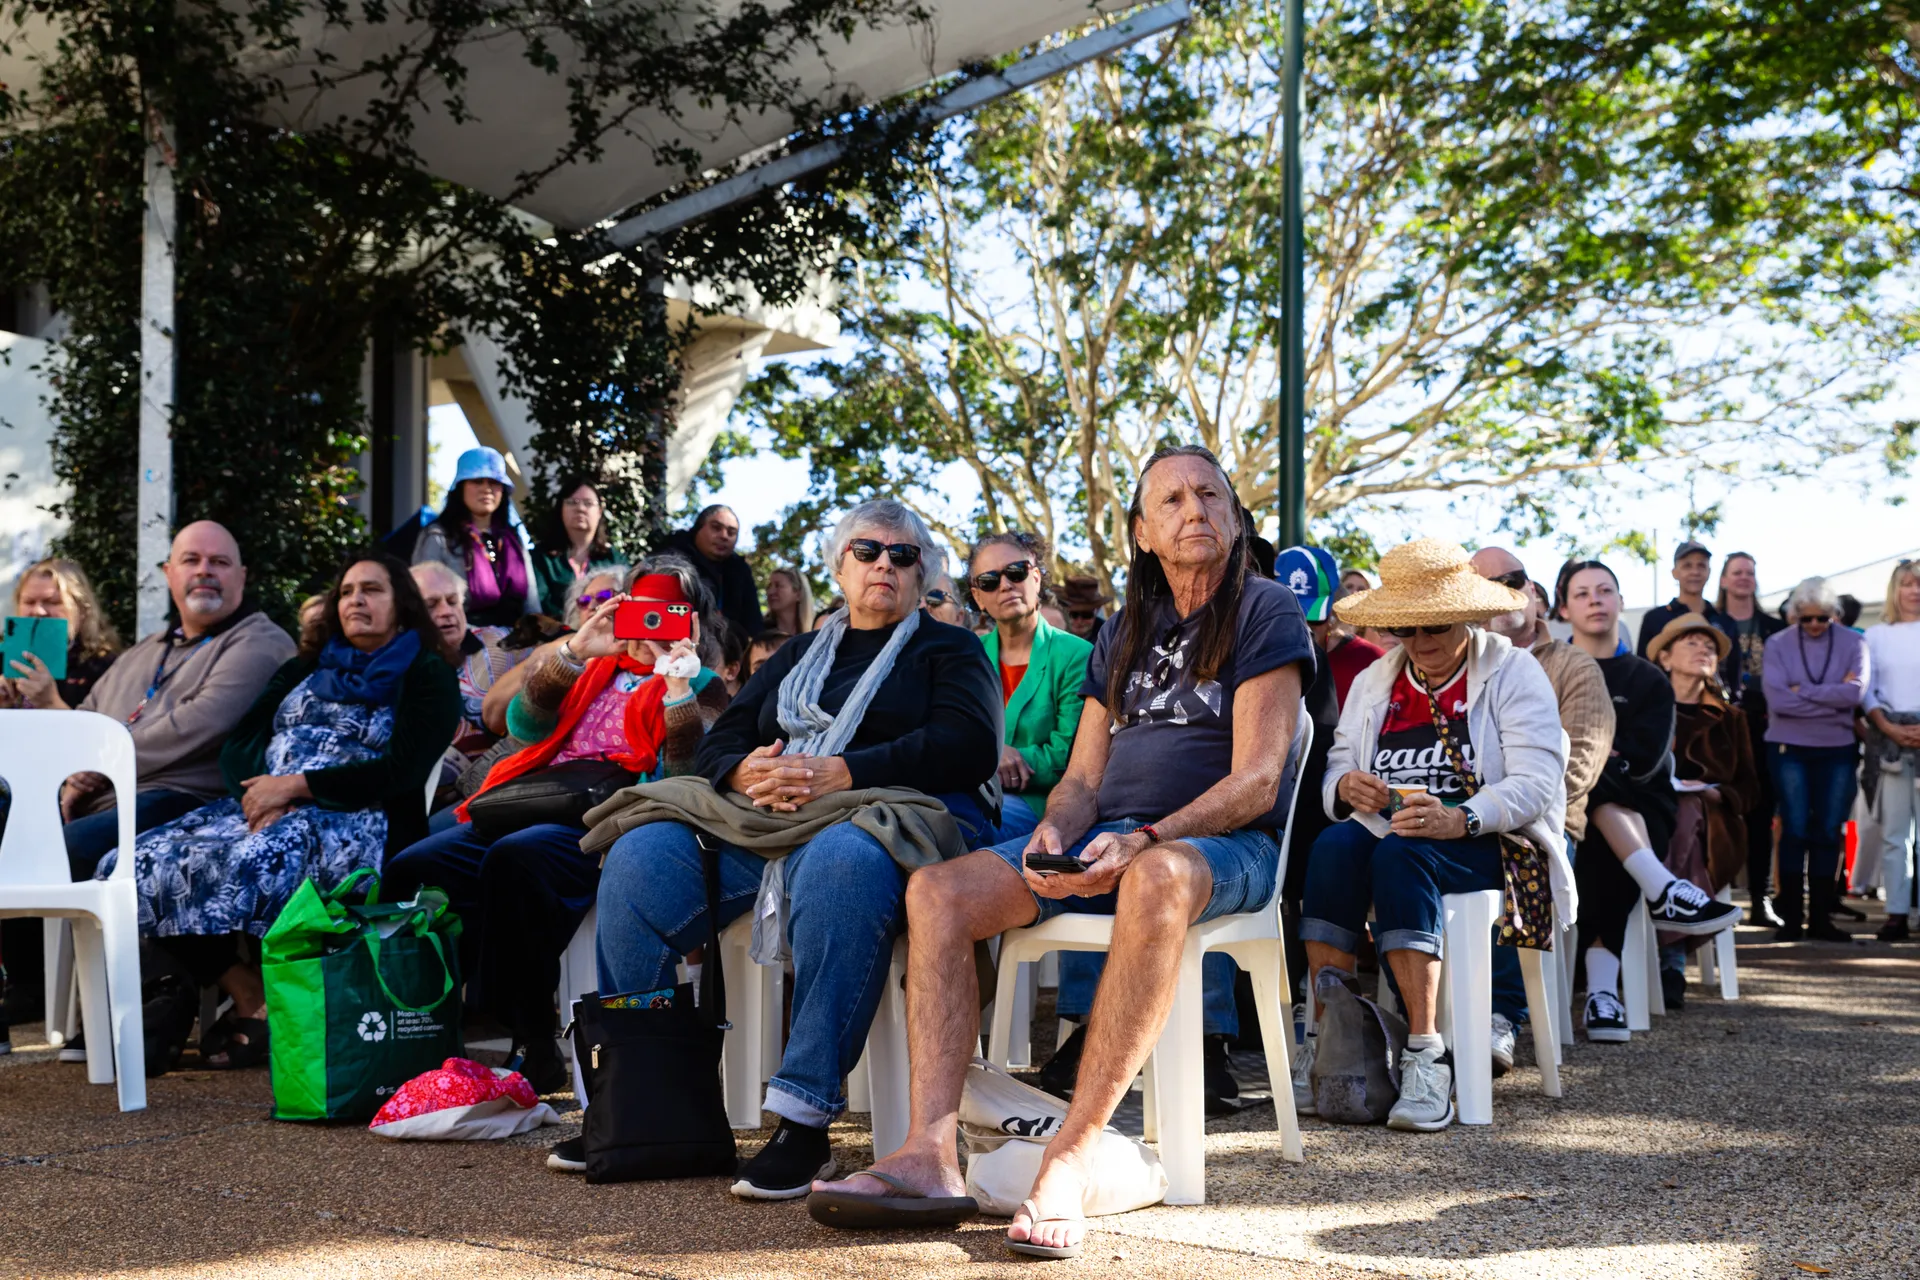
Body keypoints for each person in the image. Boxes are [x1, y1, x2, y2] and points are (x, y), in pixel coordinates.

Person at [806, 448, 1308, 1257]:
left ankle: (1071, 1157)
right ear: (1142, 532)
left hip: (1219, 850)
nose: (1195, 510)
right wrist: (1055, 830)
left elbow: (1257, 779)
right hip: (1104, 844)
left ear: (1236, 515)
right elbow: (1080, 779)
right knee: (937, 892)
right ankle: (929, 1154)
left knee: (1156, 877)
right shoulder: (1126, 629)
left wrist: (1147, 835)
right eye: (1172, 500)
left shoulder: (1264, 607)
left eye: (1211, 495)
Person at [577, 499, 1001, 1198]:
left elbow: (969, 745)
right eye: (867, 552)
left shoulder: (947, 649)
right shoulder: (803, 653)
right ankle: (639, 1109)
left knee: (842, 860)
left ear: (923, 572)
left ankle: (804, 1124)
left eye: (902, 555)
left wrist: (844, 771)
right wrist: (747, 771)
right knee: (641, 856)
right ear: (839, 566)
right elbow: (722, 738)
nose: (884, 566)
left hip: (882, 821)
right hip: (767, 820)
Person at [95, 551, 458, 1074]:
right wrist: (259, 791)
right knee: (128, 863)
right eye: (348, 591)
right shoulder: (305, 666)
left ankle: (256, 1000)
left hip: (355, 818)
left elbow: (400, 770)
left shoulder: (427, 673)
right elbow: (240, 742)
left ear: (401, 606)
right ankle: (242, 988)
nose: (356, 600)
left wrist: (298, 786)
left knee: (253, 860)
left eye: (372, 590)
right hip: (262, 805)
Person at [383, 557, 730, 1093]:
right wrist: (572, 653)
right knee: (414, 867)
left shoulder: (701, 684)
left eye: (666, 613)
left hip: (611, 819)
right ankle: (423, 1031)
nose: (649, 627)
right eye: (641, 610)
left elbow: (684, 780)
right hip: (530, 802)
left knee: (515, 860)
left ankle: (532, 1038)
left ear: (691, 622)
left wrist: (677, 687)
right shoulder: (595, 665)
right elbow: (523, 727)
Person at [1294, 538, 1564, 1132]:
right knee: (1332, 849)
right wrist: (1345, 790)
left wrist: (1461, 816)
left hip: (1491, 839)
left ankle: (1426, 1053)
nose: (1423, 642)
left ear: (1465, 615)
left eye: (1436, 625)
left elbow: (1537, 783)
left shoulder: (1513, 671)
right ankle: (1329, 1039)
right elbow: (1338, 763)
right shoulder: (1374, 679)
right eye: (1407, 629)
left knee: (1403, 853)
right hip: (1391, 830)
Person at [1562, 559, 1739, 1043]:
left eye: (1605, 590)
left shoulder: (1646, 678)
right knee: (1592, 804)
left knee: (1598, 799)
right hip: (1572, 807)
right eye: (1582, 593)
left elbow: (1641, 758)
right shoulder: (1551, 668)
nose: (1596, 600)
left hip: (1644, 809)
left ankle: (1602, 991)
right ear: (1564, 607)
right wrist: (1597, 753)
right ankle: (1608, 984)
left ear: (1621, 602)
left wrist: (1593, 754)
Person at [1471, 547, 1613, 1071]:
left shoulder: (1575, 666)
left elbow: (1576, 774)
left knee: (1518, 851)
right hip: (1466, 819)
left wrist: (1502, 809)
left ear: (1534, 592)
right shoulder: (1460, 666)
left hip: (1543, 826)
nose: (1505, 591)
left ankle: (1501, 1013)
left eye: (1514, 579)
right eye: (1487, 585)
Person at [1647, 613, 1761, 1004]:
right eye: (1692, 642)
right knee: (1679, 810)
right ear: (1664, 658)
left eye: (1710, 646)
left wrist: (1716, 793)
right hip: (1648, 820)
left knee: (1690, 808)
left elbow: (1750, 790)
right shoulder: (1646, 710)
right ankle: (1672, 946)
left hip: (1717, 827)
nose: (1704, 650)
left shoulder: (1732, 718)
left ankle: (1670, 957)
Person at [1764, 577, 1868, 942]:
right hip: (1788, 747)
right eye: (1805, 619)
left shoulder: (1855, 642)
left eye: (1821, 618)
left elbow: (1855, 693)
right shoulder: (1777, 644)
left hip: (1837, 747)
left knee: (1827, 830)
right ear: (1794, 616)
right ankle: (1791, 917)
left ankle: (1822, 918)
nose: (1813, 625)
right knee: (1793, 828)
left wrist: (1802, 693)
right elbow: (1777, 701)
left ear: (1834, 615)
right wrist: (1830, 695)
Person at [969, 532, 1092, 826]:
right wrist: (990, 757)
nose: (1006, 585)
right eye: (989, 580)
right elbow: (949, 734)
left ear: (1035, 578)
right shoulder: (969, 656)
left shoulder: (1077, 655)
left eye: (1016, 572)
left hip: (1044, 807)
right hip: (967, 794)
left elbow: (1067, 757)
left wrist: (988, 762)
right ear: (978, 597)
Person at [410, 562, 528, 793]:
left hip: (494, 787)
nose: (446, 611)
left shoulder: (501, 643)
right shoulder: (394, 661)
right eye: (431, 605)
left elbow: (557, 648)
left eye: (453, 601)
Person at [1715, 551, 1787, 925]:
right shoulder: (1710, 623)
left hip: (1767, 728)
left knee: (1762, 814)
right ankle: (1714, 901)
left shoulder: (1775, 626)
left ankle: (1762, 900)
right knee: (1719, 812)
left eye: (1750, 572)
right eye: (1737, 572)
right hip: (1719, 729)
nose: (1744, 578)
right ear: (1724, 580)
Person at [412, 447, 537, 628]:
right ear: (460, 487)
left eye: (494, 482)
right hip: (462, 642)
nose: (486, 489)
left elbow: (532, 605)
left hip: (519, 642)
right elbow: (423, 603)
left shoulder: (513, 539)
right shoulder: (438, 537)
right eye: (477, 481)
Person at [1863, 560, 1920, 941]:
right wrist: (1886, 725)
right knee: (1894, 833)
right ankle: (1896, 912)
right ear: (1894, 589)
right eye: (1907, 583)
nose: (1914, 591)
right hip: (1891, 742)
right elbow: (1865, 688)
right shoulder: (1875, 635)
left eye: (1919, 584)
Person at [2, 558, 121, 709]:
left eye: (52, 602)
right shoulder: (4, 657)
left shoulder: (105, 667)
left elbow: (103, 730)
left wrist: (49, 702)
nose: (39, 611)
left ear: (82, 609)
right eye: (30, 602)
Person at [529, 476, 626, 619]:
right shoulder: (540, 558)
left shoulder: (613, 558)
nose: (580, 508)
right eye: (572, 502)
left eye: (588, 503)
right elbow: (538, 605)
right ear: (561, 509)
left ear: (599, 511)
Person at [664, 504, 764, 638]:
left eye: (731, 532)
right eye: (716, 528)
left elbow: (753, 624)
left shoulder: (740, 570)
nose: (724, 536)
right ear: (698, 529)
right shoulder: (670, 559)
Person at [1636, 540, 1734, 659]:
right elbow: (1643, 668)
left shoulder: (1725, 621)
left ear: (1709, 572)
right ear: (1674, 572)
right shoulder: (1654, 619)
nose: (1695, 572)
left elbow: (1733, 673)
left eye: (1701, 565)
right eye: (1687, 566)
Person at [1055, 574, 1111, 644]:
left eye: (1087, 615)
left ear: (1097, 611)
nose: (1079, 621)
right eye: (1073, 614)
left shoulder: (1109, 636)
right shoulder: (1052, 634)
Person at [764, 565, 816, 636]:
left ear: (798, 594)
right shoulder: (760, 630)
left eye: (778, 586)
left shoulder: (815, 632)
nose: (771, 591)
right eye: (769, 586)